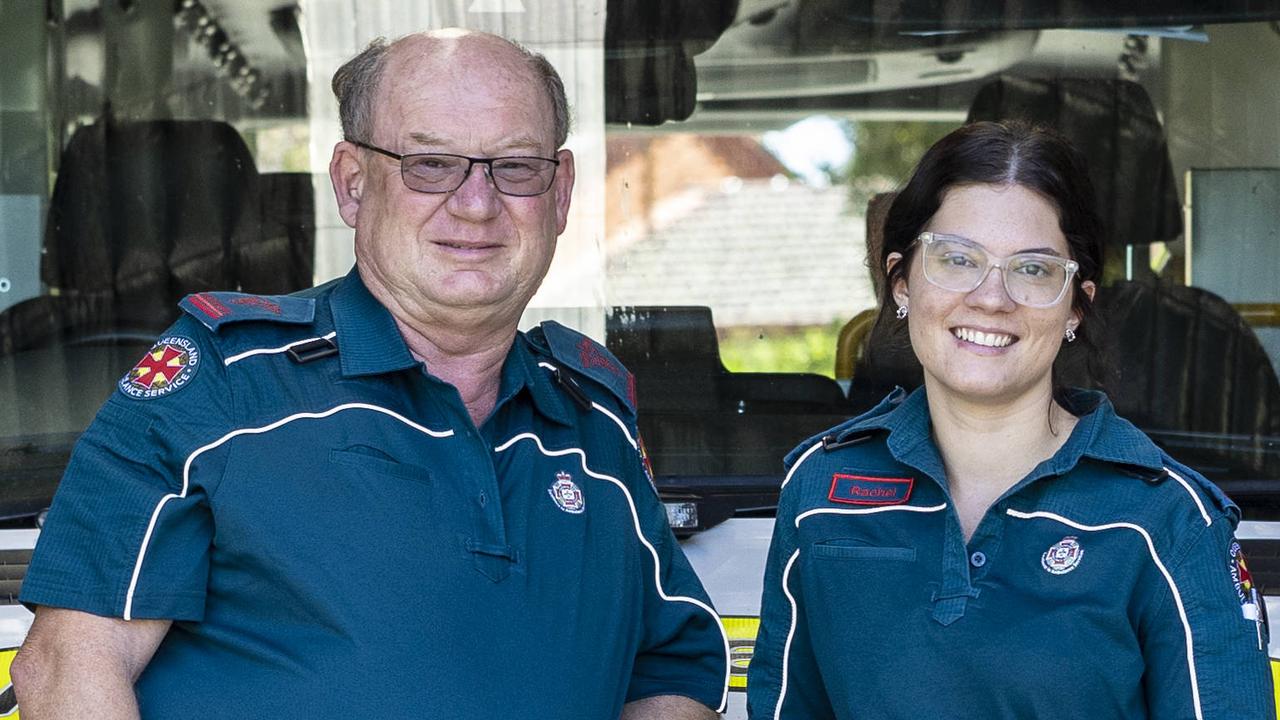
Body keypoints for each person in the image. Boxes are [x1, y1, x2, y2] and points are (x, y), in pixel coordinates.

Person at [12, 29, 728, 719]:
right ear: (353, 185)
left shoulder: (592, 421)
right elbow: (70, 661)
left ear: (561, 191)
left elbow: (670, 667)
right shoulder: (223, 383)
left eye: (515, 167)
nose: (476, 205)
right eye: (429, 164)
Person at [745, 121, 1275, 719]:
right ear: (900, 283)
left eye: (1032, 269)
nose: (991, 297)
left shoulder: (1168, 520)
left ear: (1077, 306)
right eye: (956, 259)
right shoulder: (820, 490)